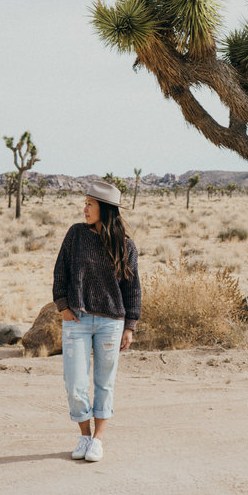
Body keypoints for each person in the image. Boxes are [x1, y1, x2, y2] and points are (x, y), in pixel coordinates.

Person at [52, 180, 141, 462]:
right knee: (75, 384)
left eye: (90, 204)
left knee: (105, 383)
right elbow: (60, 271)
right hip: (76, 320)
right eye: (85, 203)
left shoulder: (126, 245)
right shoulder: (76, 235)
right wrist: (63, 305)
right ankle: (84, 436)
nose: (85, 209)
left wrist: (130, 326)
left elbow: (132, 287)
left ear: (105, 209)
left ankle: (98, 440)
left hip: (111, 323)